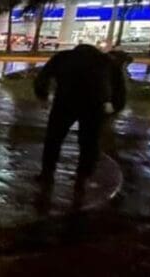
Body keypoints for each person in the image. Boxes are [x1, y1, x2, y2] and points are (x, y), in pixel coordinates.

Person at [35, 44, 126, 186]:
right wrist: (114, 108)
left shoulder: (63, 57)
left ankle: (47, 173)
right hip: (94, 106)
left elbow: (43, 76)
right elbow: (119, 88)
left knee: (54, 139)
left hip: (65, 102)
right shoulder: (106, 61)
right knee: (89, 142)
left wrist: (43, 95)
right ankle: (83, 177)